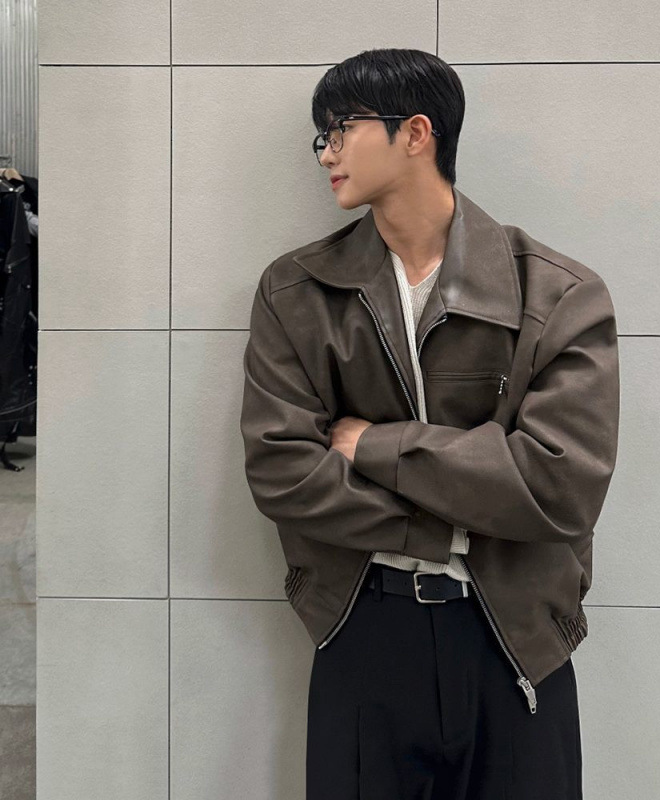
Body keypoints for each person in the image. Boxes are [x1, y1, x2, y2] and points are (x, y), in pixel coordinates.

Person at [240, 47, 620, 800]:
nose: (326, 153)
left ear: (416, 133)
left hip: (515, 639)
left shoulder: (558, 294)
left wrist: (372, 444)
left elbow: (560, 485)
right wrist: (451, 526)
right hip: (362, 627)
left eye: (342, 129)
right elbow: (281, 470)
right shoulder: (296, 291)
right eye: (322, 136)